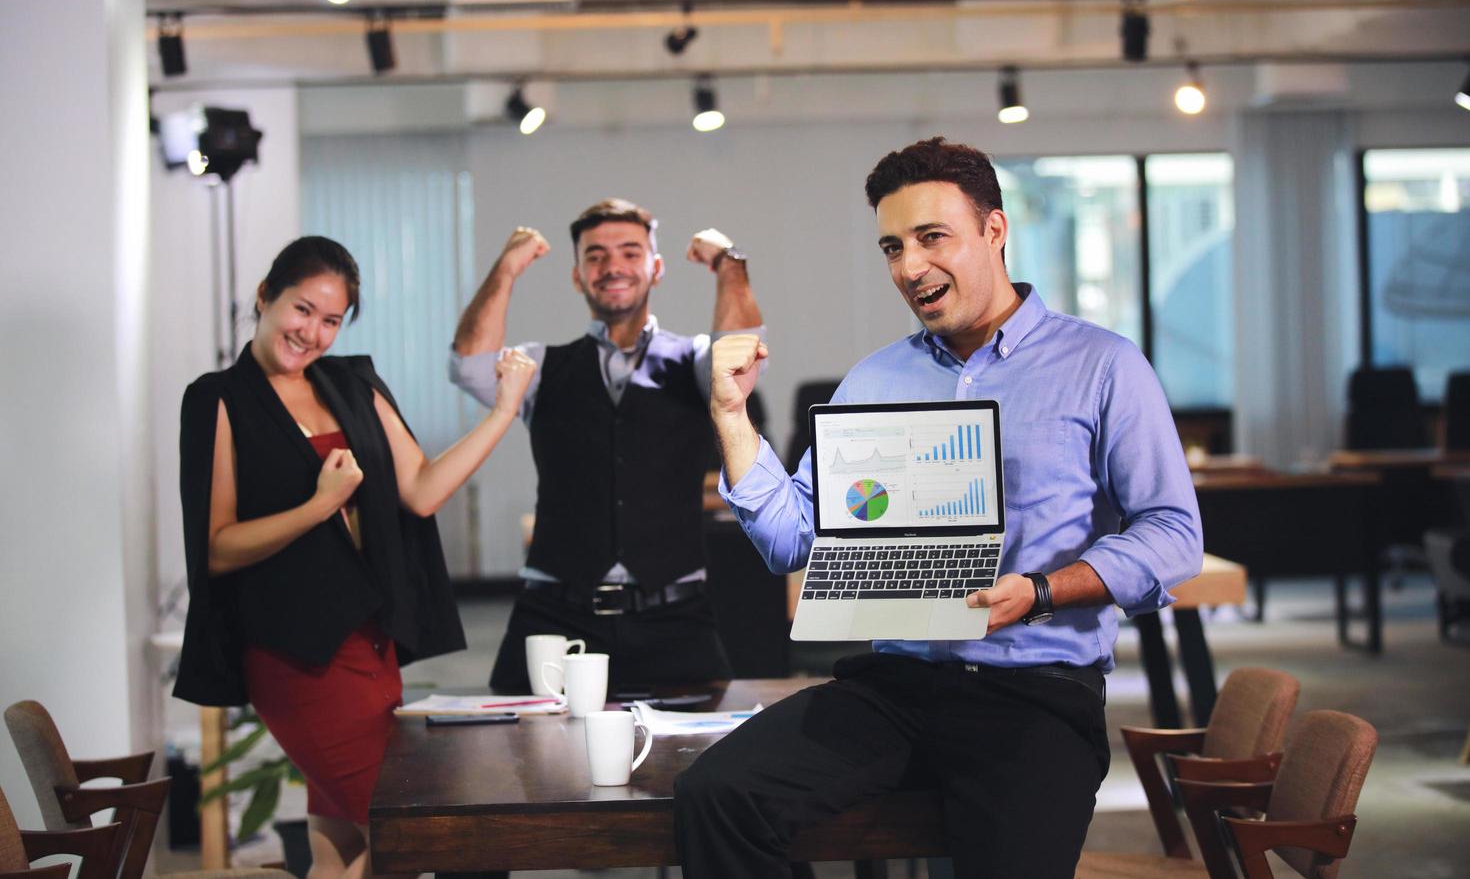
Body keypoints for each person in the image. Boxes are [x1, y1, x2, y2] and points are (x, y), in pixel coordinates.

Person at [674, 138, 1203, 878]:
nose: (908, 267)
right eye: (892, 246)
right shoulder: (872, 380)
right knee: (717, 794)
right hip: (893, 687)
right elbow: (791, 539)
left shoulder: (1103, 366)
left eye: (931, 238)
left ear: (994, 230)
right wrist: (731, 418)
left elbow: (1174, 534)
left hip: (1035, 695)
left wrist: (1041, 591)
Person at [174, 237, 535, 879]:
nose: (311, 332)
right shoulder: (218, 399)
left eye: (331, 320)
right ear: (265, 296)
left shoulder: (352, 383)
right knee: (421, 836)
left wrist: (504, 410)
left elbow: (421, 490)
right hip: (298, 656)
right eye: (302, 309)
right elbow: (218, 546)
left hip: (374, 642)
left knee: (345, 846)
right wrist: (319, 506)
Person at [449, 199, 764, 692]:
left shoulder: (696, 361)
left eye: (629, 252)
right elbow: (469, 365)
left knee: (696, 761)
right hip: (555, 616)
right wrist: (507, 267)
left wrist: (730, 264)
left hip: (674, 617)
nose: (612, 266)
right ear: (577, 275)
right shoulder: (539, 366)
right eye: (595, 256)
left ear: (655, 268)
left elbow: (741, 355)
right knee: (523, 763)